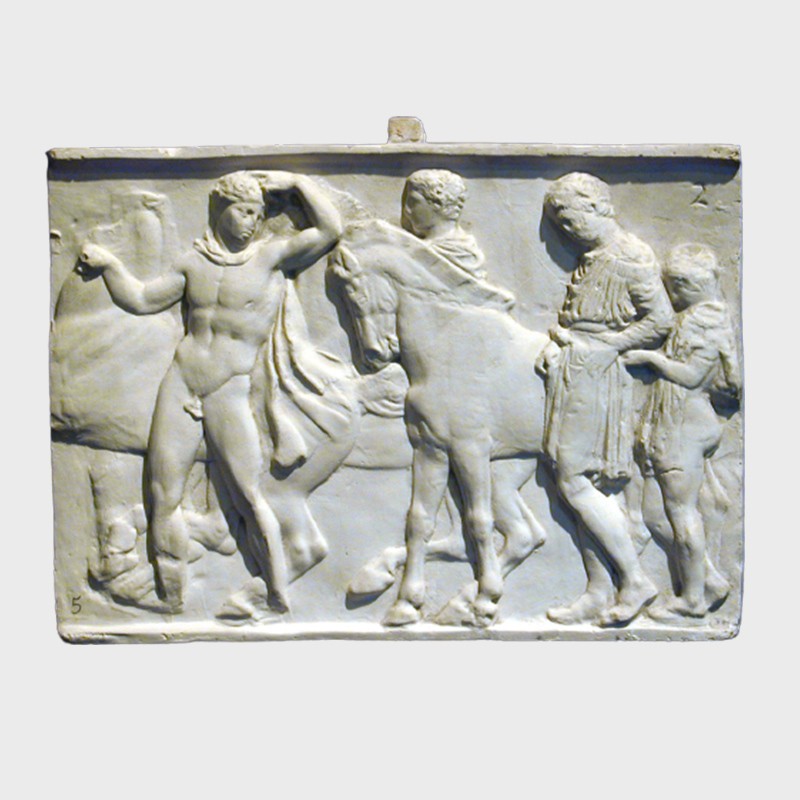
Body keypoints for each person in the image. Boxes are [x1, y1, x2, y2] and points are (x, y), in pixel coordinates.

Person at [79, 170, 343, 613]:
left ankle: (277, 591)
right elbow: (142, 299)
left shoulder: (271, 257)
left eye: (257, 215)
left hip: (228, 391)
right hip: (181, 384)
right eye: (243, 212)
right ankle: (170, 597)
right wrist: (110, 266)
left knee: (248, 496)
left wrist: (297, 184)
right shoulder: (193, 263)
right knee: (163, 495)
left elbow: (330, 230)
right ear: (221, 211)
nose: (251, 223)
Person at [540, 172, 673, 626]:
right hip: (574, 366)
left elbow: (659, 320)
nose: (566, 229)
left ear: (598, 206)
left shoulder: (628, 255)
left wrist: (607, 347)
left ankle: (635, 579)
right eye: (559, 223)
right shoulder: (591, 257)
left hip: (596, 374)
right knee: (576, 482)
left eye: (570, 217)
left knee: (574, 479)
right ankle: (599, 589)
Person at [622, 243, 739, 618]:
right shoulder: (690, 318)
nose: (671, 296)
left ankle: (691, 600)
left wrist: (650, 359)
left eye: (675, 287)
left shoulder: (708, 323)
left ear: (692, 284)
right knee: (655, 514)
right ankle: (710, 581)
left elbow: (691, 376)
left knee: (681, 511)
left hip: (685, 424)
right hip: (668, 422)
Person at [401, 169, 487, 279]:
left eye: (413, 202)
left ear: (438, 203)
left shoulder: (464, 255)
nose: (407, 210)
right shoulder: (412, 251)